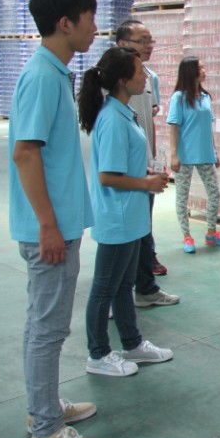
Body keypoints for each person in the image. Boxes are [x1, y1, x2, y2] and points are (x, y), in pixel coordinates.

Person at [9, 0, 104, 438]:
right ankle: (47, 431)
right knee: (48, 329)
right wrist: (47, 225)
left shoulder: (53, 72)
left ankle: (42, 408)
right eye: (90, 17)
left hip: (56, 224)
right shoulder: (44, 77)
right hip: (49, 229)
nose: (95, 27)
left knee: (41, 325)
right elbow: (25, 154)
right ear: (66, 23)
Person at [78, 47, 174, 378]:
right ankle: (98, 354)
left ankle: (132, 344)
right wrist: (146, 183)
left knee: (124, 285)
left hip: (130, 216)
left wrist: (145, 173)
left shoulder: (123, 113)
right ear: (122, 79)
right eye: (139, 70)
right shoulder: (112, 119)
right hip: (117, 217)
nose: (145, 76)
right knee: (105, 288)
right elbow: (108, 176)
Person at [115, 20, 179, 309]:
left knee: (143, 229)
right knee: (121, 237)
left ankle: (145, 289)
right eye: (142, 40)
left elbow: (147, 123)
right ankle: (116, 296)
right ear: (122, 44)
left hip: (145, 169)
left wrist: (153, 160)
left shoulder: (147, 77)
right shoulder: (112, 80)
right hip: (123, 171)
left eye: (150, 40)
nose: (149, 46)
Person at [166, 57, 220, 253]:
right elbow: (173, 127)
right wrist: (174, 155)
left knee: (214, 192)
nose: (204, 70)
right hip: (185, 156)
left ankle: (211, 232)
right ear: (190, 72)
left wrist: (214, 151)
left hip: (205, 154)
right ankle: (186, 236)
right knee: (182, 196)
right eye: (200, 67)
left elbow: (207, 128)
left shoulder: (205, 97)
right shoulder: (178, 98)